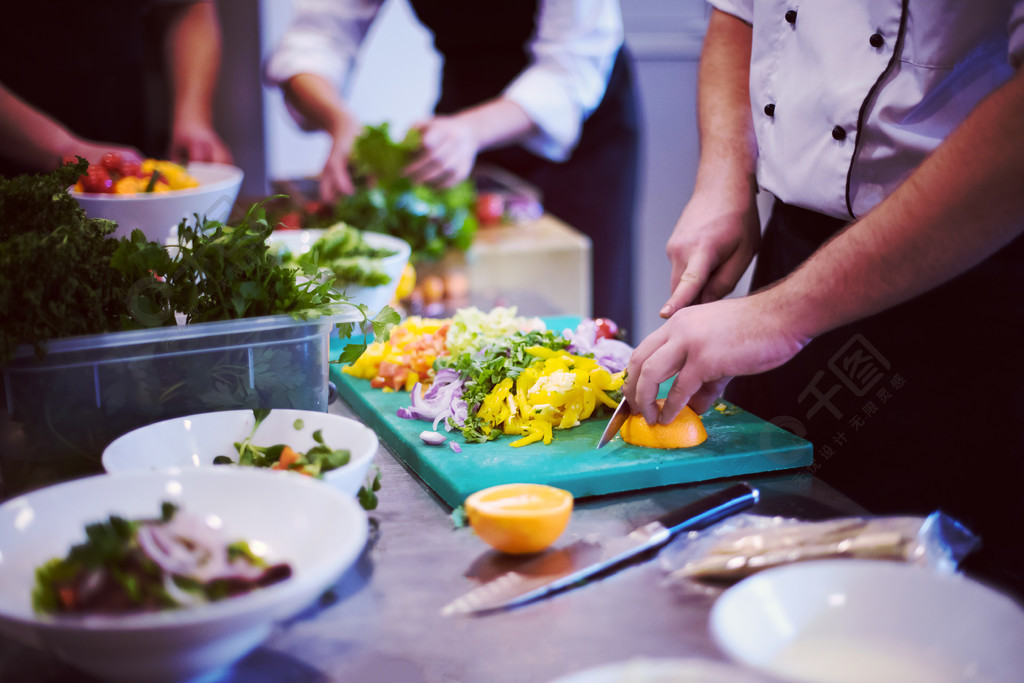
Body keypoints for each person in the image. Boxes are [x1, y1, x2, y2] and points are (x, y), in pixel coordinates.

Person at [625, 1, 1024, 598]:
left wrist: (781, 314)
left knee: (929, 614)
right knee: (755, 559)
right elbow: (738, 12)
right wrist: (724, 178)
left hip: (964, 284)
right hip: (792, 257)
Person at [263, 0, 640, 334]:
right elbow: (317, 38)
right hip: (460, 111)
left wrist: (472, 130)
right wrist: (339, 122)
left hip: (581, 136)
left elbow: (570, 70)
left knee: (585, 317)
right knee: (463, 311)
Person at [0, 0, 232, 177]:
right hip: (15, 164)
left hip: (123, 129)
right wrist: (62, 149)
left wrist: (193, 120)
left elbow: (189, 7)